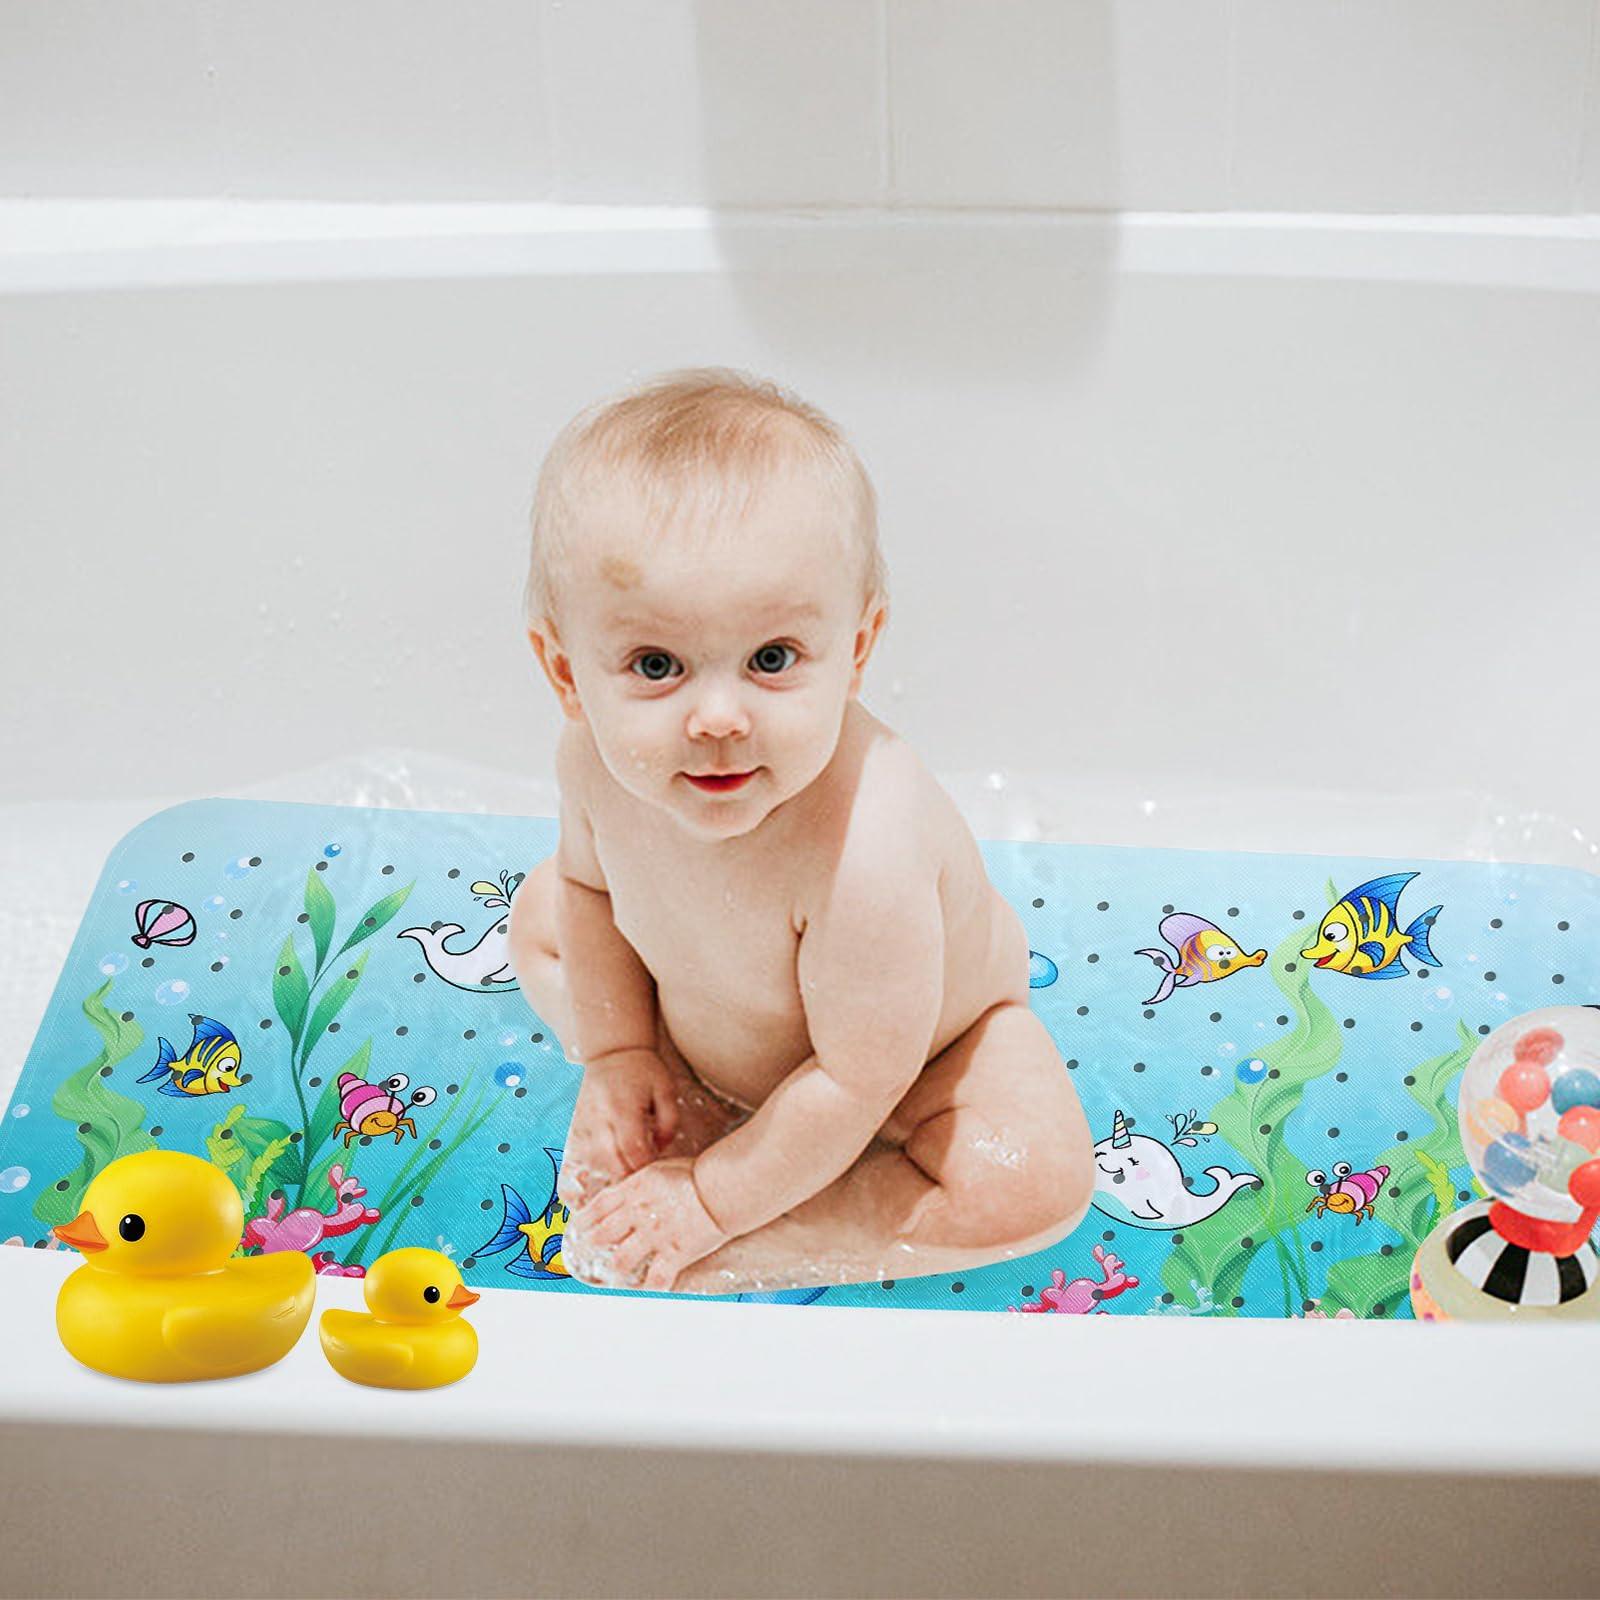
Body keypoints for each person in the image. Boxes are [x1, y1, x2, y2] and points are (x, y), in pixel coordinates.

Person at [509, 368, 1091, 1293]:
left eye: (771, 659)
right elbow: (587, 890)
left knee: (1030, 1182)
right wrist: (618, 1054)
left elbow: (859, 1079)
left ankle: (805, 1219)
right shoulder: (590, 760)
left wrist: (711, 1200)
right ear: (567, 673)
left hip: (912, 1069)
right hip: (706, 1014)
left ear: (855, 651)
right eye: (656, 665)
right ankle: (690, 1101)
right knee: (540, 912)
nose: (718, 718)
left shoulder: (870, 842)